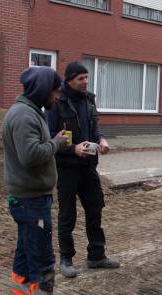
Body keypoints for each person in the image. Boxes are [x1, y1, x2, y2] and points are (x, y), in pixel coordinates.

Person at [2, 66, 68, 295]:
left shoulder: (27, 112)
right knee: (41, 259)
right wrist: (56, 143)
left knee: (25, 254)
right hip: (31, 201)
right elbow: (31, 156)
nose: (57, 96)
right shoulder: (24, 116)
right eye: (55, 91)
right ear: (43, 89)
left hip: (26, 198)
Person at [46, 62, 119, 278]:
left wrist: (101, 139)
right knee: (67, 214)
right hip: (67, 167)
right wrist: (72, 148)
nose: (85, 82)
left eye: (87, 77)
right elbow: (51, 135)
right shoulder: (56, 102)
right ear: (69, 80)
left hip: (88, 165)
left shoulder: (89, 99)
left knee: (95, 208)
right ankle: (66, 259)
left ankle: (96, 255)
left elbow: (94, 125)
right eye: (81, 78)